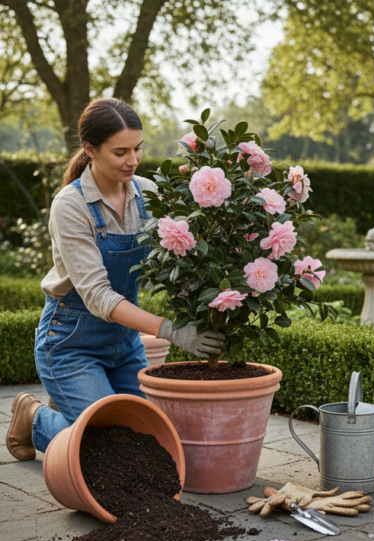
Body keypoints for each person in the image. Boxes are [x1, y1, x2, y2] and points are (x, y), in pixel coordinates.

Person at [5, 98, 225, 461]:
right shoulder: (71, 206)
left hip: (124, 345)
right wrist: (171, 330)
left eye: (138, 148)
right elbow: (99, 298)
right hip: (70, 344)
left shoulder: (148, 194)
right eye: (120, 151)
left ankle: (72, 409)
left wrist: (205, 303)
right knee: (106, 448)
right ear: (90, 150)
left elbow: (169, 267)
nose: (133, 160)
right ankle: (34, 417)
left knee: (148, 441)